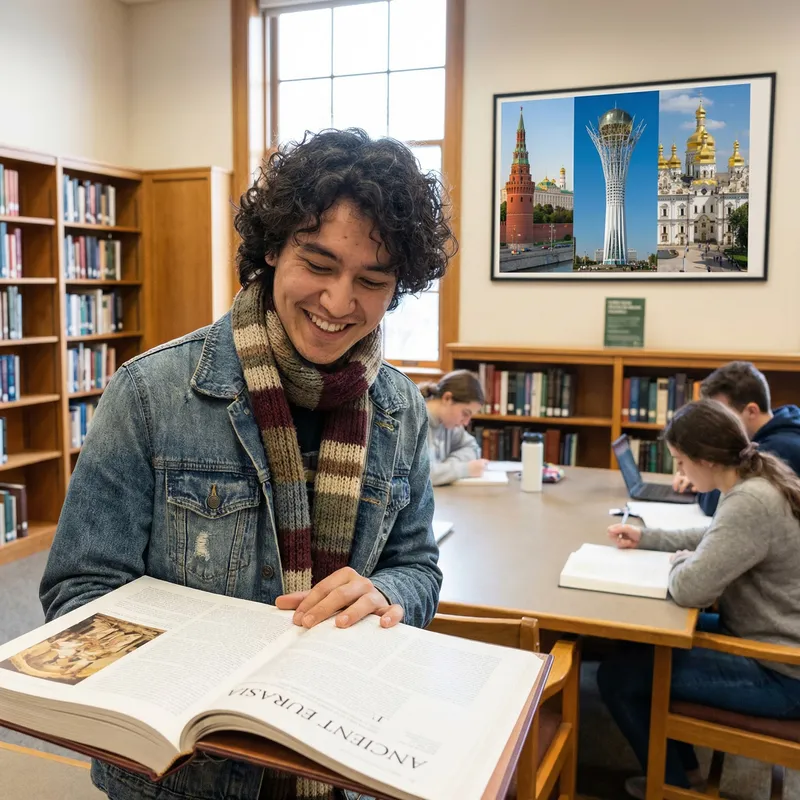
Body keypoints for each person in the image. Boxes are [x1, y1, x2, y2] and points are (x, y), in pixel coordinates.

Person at [39, 128, 456, 800]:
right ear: (271, 250)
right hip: (180, 776)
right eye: (317, 265)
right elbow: (78, 590)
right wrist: (208, 659)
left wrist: (388, 595)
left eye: (371, 281)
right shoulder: (150, 393)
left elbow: (419, 570)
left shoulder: (402, 410)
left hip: (336, 760)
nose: (340, 302)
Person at [599, 399, 800, 799]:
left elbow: (691, 588)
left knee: (617, 678)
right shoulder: (753, 477)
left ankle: (670, 784)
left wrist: (678, 564)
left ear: (706, 459)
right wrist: (650, 539)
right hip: (767, 644)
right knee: (639, 645)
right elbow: (717, 537)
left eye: (679, 461)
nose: (680, 473)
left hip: (780, 673)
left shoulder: (749, 500)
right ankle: (683, 770)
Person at [672, 361, 800, 515]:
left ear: (752, 411)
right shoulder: (782, 423)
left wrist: (702, 478)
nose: (715, 425)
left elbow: (721, 504)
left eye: (722, 415)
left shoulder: (776, 450)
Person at [420, 370, 487, 485]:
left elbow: (473, 447)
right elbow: (419, 476)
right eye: (465, 413)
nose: (466, 422)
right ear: (447, 399)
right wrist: (464, 469)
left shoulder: (449, 423)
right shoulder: (414, 422)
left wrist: (448, 467)